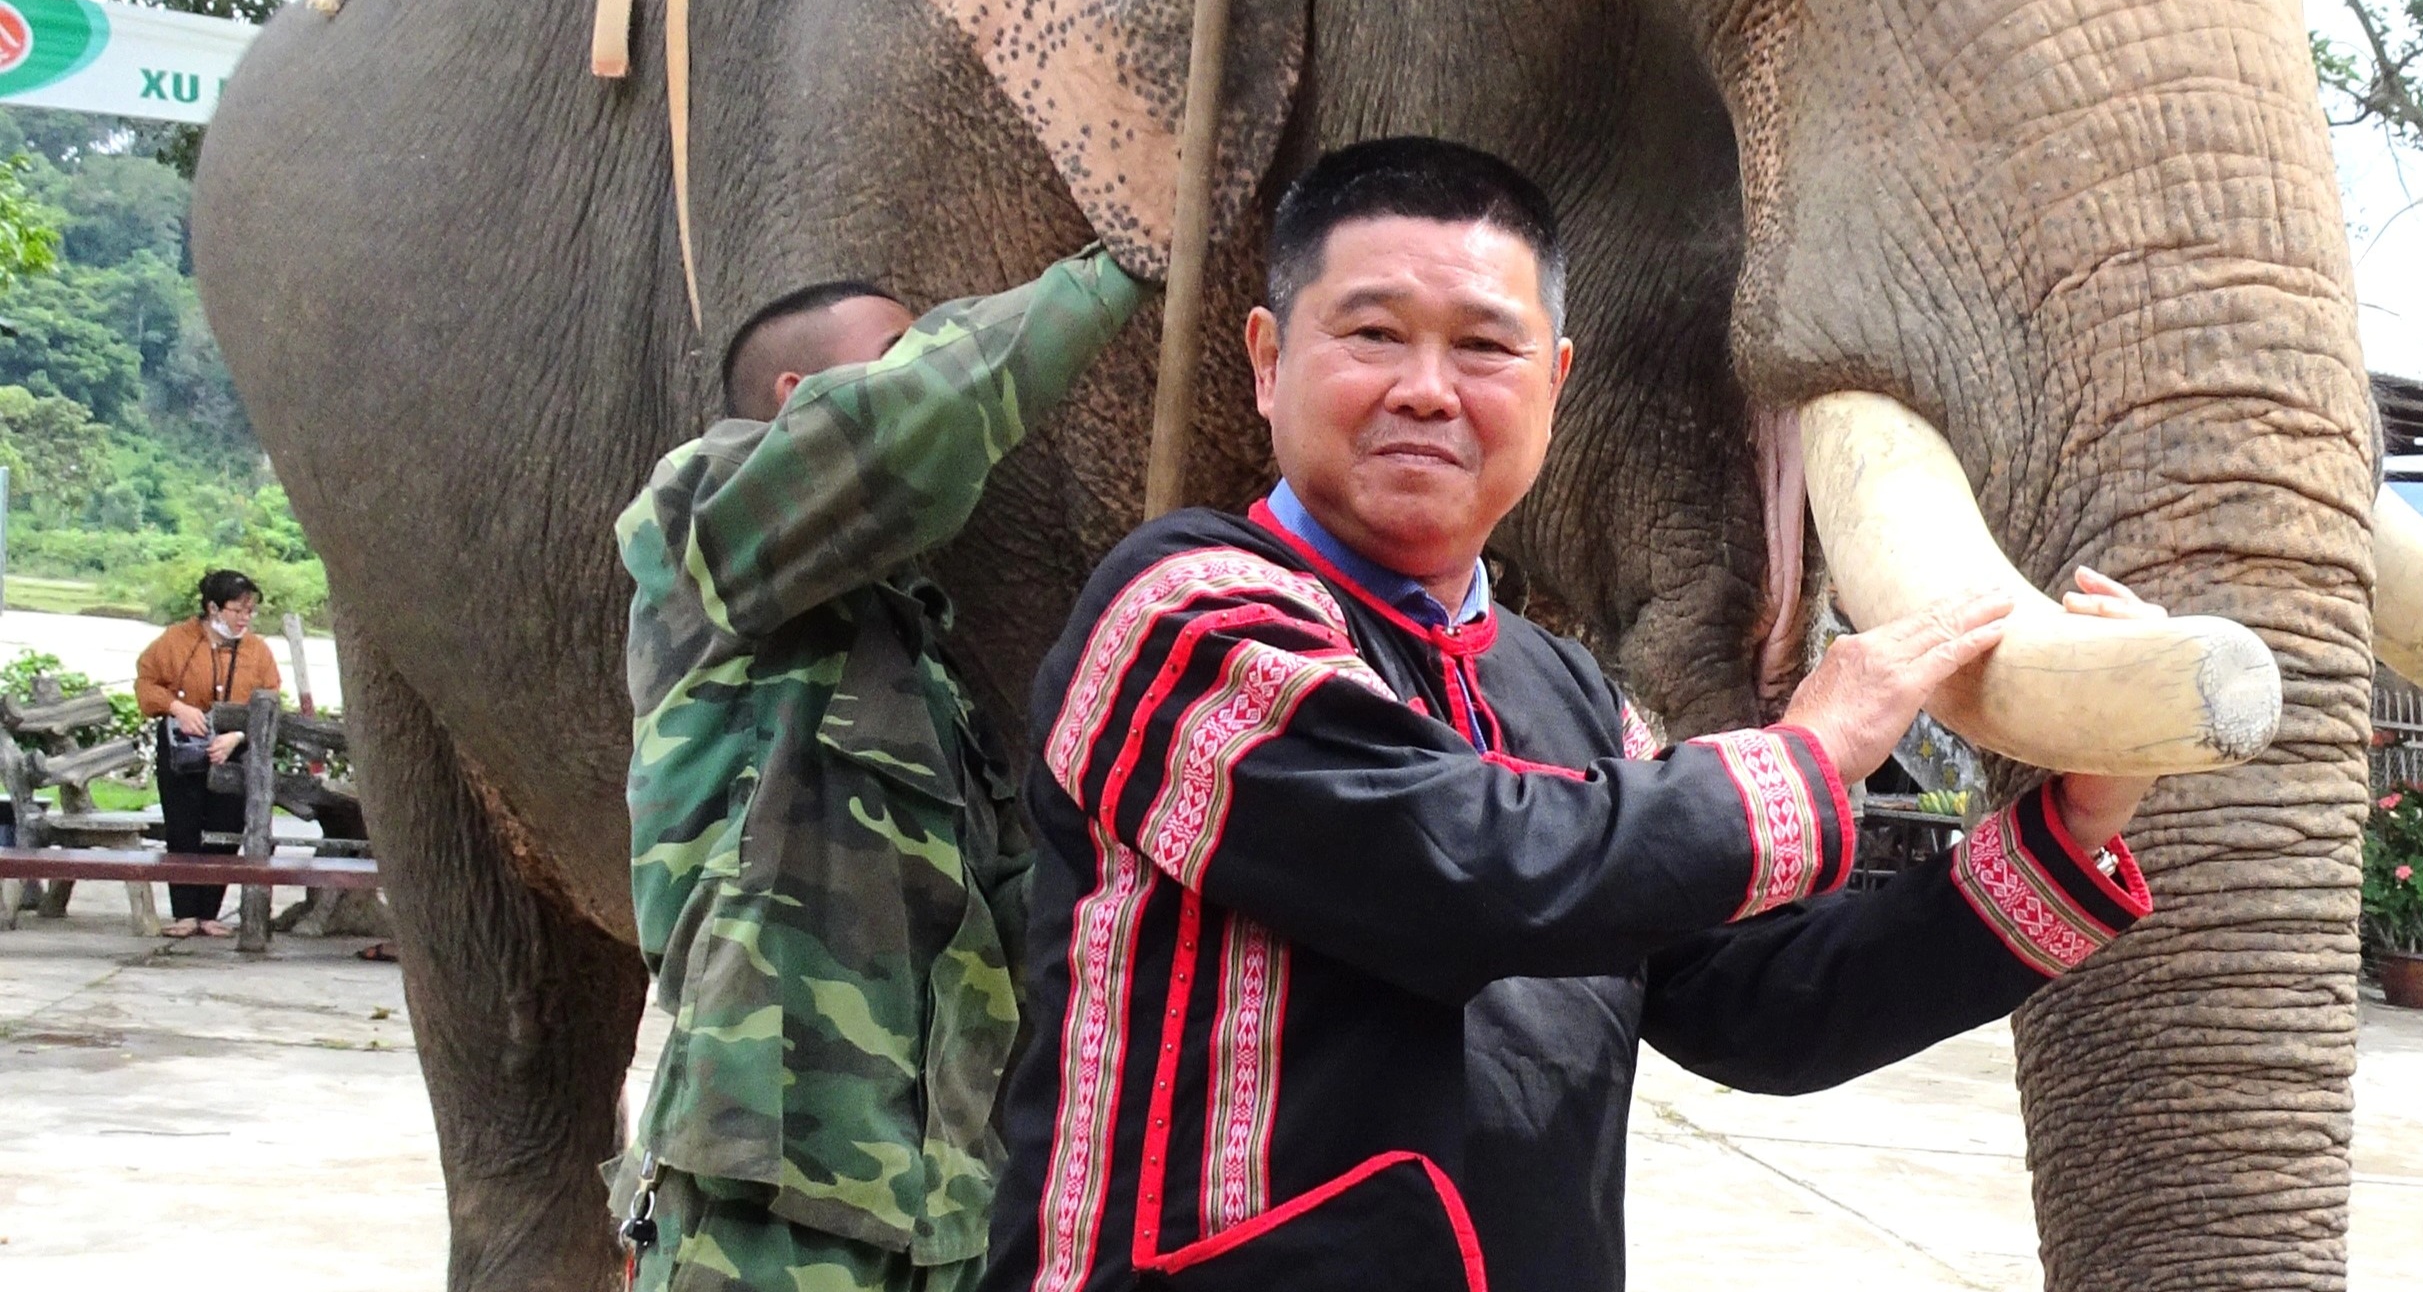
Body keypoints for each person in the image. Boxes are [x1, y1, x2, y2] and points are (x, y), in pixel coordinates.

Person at [986, 138, 2163, 1292]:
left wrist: (2066, 834)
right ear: (1266, 358)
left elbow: (1759, 1005)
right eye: (1373, 333)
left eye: (1485, 347)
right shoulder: (1182, 612)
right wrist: (1809, 756)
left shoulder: (1570, 698)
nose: (1427, 390)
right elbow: (1468, 866)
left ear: (1554, 383)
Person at [609, 248, 1152, 1292]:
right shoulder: (700, 522)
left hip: (937, 1204)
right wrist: (1110, 273)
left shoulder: (921, 672)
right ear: (802, 401)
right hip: (764, 1201)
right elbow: (910, 424)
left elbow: (999, 926)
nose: (934, 364)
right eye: (902, 353)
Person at [134, 568, 283, 938]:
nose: (245, 618)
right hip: (184, 744)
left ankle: (209, 912)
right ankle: (184, 912)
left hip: (232, 747)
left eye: (250, 611)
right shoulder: (175, 640)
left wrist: (236, 735)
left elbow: (272, 699)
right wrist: (177, 708)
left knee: (225, 827)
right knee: (183, 826)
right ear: (213, 608)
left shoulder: (258, 651)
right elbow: (146, 683)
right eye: (238, 610)